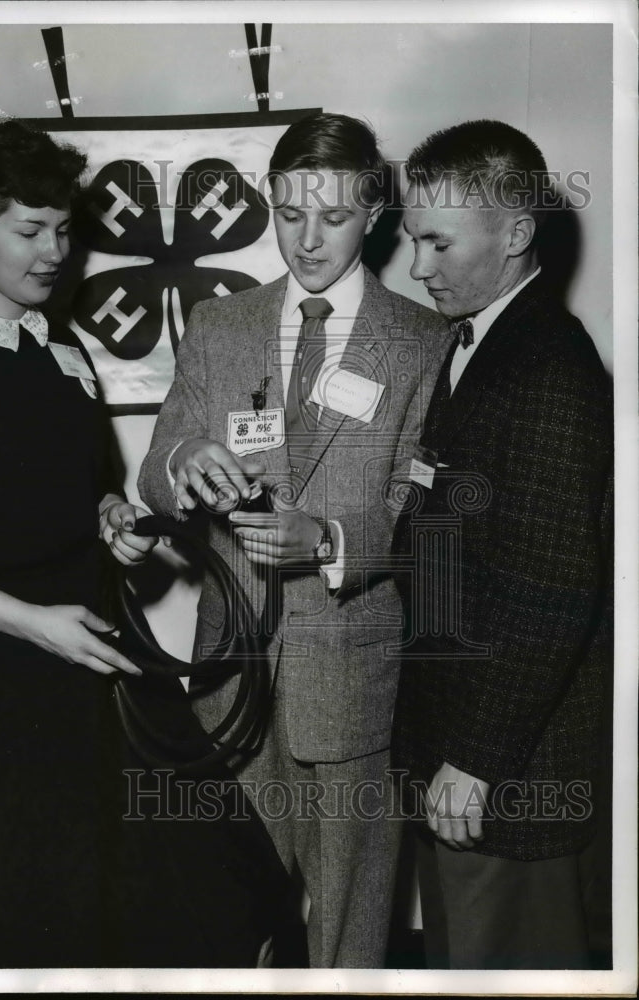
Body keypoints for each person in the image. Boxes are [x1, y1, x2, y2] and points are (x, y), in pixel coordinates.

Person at [0, 118, 289, 970]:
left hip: (91, 664)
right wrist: (34, 622)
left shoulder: (68, 351)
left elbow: (81, 492)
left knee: (201, 893)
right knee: (9, 916)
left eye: (63, 228)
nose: (54, 251)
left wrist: (112, 523)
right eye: (29, 230)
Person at [138, 112, 450, 968]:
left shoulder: (424, 342)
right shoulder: (220, 326)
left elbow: (424, 512)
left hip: (351, 671)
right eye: (288, 213)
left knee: (350, 919)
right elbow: (155, 471)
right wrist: (183, 461)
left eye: (335, 218)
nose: (307, 240)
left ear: (376, 216)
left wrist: (333, 539)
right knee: (230, 906)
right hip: (230, 673)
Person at [391, 119, 612, 969]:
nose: (418, 267)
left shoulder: (548, 368)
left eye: (439, 242)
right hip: (470, 757)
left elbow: (552, 588)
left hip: (505, 776)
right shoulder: (480, 341)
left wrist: (476, 761)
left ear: (517, 234)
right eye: (415, 241)